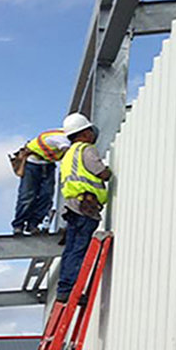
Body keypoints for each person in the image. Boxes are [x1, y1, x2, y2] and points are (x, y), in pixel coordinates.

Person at [56, 113, 112, 303]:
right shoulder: (86, 150)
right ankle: (73, 290)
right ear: (85, 133)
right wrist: (109, 172)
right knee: (80, 249)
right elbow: (101, 173)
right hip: (84, 207)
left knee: (71, 249)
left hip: (73, 206)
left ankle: (64, 289)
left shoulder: (68, 154)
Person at [10, 122, 74, 235]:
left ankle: (33, 224)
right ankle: (19, 225)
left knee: (46, 196)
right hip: (32, 164)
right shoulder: (63, 139)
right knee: (27, 196)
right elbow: (68, 153)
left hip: (48, 165)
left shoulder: (66, 135)